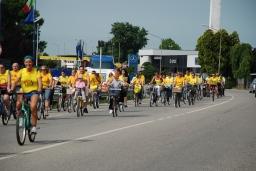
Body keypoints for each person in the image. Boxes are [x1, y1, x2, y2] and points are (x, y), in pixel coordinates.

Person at [12, 56, 42, 133]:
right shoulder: (22, 71)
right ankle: (21, 118)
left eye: (30, 62)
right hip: (23, 91)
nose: (28, 63)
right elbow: (15, 81)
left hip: (34, 92)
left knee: (33, 107)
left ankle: (34, 126)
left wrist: (39, 89)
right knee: (18, 104)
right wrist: (11, 88)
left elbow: (39, 82)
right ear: (24, 63)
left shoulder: (36, 71)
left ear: (32, 63)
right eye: (26, 62)